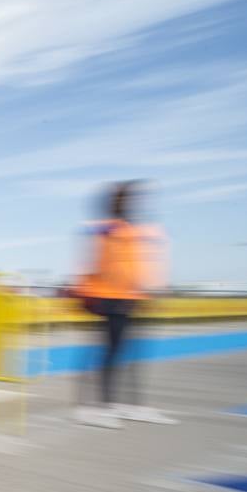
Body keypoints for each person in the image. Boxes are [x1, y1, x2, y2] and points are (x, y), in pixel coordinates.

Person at [74, 180, 177, 428]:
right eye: (128, 200)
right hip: (109, 297)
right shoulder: (105, 229)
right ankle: (99, 406)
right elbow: (91, 262)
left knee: (133, 353)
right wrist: (86, 293)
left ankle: (132, 405)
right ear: (117, 203)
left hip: (132, 297)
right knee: (110, 352)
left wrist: (151, 290)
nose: (134, 204)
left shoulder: (134, 230)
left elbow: (141, 263)